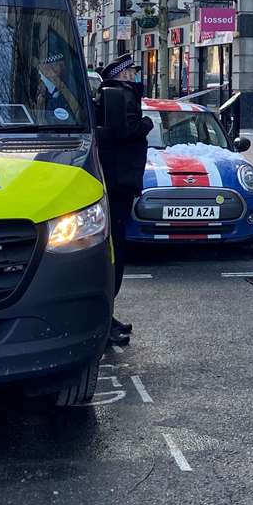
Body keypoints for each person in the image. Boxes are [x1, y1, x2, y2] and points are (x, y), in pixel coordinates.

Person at [95, 52, 154, 347]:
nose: (134, 74)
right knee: (114, 255)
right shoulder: (120, 95)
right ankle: (103, 321)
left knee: (115, 252)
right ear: (122, 73)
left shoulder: (116, 94)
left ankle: (107, 316)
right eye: (131, 70)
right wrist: (146, 125)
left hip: (119, 182)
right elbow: (122, 132)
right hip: (118, 183)